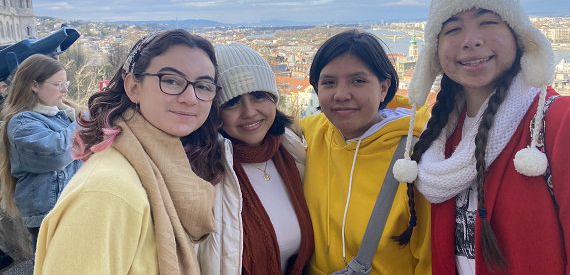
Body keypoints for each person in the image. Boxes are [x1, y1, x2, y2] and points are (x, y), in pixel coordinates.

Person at [393, 0, 570, 274]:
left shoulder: (568, 123)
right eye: (452, 29)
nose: (471, 40)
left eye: (488, 22)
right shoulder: (439, 133)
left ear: (519, 37)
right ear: (434, 52)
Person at [34, 29, 221, 275]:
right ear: (133, 87)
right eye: (171, 80)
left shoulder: (157, 172)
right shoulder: (107, 192)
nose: (190, 98)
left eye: (204, 86)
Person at [301, 29, 431, 274]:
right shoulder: (310, 133)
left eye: (358, 81)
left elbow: (429, 259)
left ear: (384, 88)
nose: (341, 95)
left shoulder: (416, 156)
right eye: (328, 82)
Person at [197, 43, 313, 274]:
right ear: (214, 112)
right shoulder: (202, 172)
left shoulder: (292, 152)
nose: (249, 112)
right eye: (232, 102)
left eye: (259, 96)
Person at [0, 54, 81, 253]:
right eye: (58, 84)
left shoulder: (61, 115)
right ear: (34, 85)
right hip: (48, 212)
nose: (65, 90)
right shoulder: (22, 122)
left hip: (68, 206)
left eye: (66, 83)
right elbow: (56, 153)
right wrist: (82, 123)